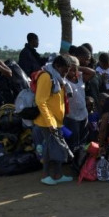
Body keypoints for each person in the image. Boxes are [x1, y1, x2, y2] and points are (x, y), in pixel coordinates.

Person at [33, 54, 72, 185]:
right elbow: (40, 101)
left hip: (57, 121)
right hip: (47, 122)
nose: (66, 73)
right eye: (64, 70)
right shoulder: (46, 77)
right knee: (49, 149)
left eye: (67, 70)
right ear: (57, 66)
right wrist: (50, 122)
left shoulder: (58, 78)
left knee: (57, 148)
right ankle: (45, 175)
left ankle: (58, 175)